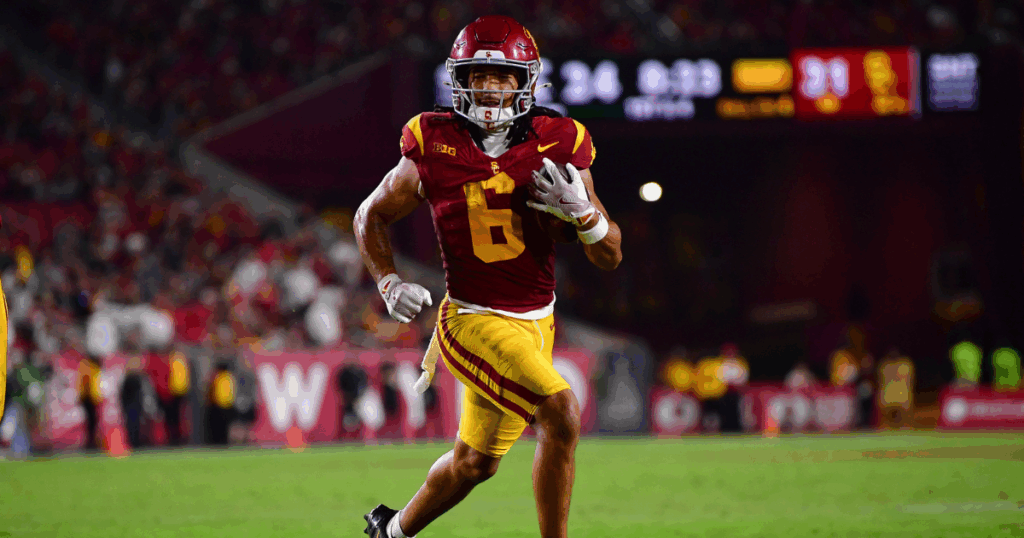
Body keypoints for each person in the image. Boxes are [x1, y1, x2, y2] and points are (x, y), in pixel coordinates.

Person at [354, 15, 622, 538]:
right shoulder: (432, 140)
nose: (491, 88)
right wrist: (387, 280)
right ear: (461, 78)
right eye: (480, 76)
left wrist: (586, 217)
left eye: (503, 77)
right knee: (562, 411)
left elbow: (610, 255)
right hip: (472, 319)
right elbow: (371, 214)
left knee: (475, 463)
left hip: (535, 322)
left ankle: (390, 532)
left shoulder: (559, 140)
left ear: (527, 81)